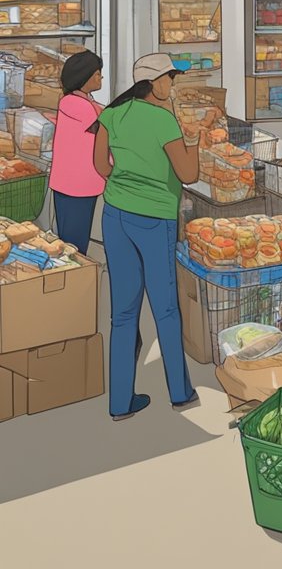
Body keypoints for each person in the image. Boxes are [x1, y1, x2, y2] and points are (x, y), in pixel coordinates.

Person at [92, 53, 201, 420]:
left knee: (123, 313)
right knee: (166, 308)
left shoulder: (112, 113)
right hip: (154, 219)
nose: (174, 84)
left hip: (115, 216)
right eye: (171, 78)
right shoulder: (163, 120)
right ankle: (180, 392)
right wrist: (194, 141)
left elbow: (99, 165)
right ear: (156, 84)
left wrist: (127, 182)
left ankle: (120, 402)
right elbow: (187, 173)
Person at [50, 50, 105, 255]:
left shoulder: (85, 101)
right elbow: (103, 129)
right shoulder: (74, 104)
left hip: (79, 185)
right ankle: (72, 281)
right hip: (74, 186)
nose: (101, 77)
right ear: (85, 77)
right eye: (98, 73)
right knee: (73, 245)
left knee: (75, 240)